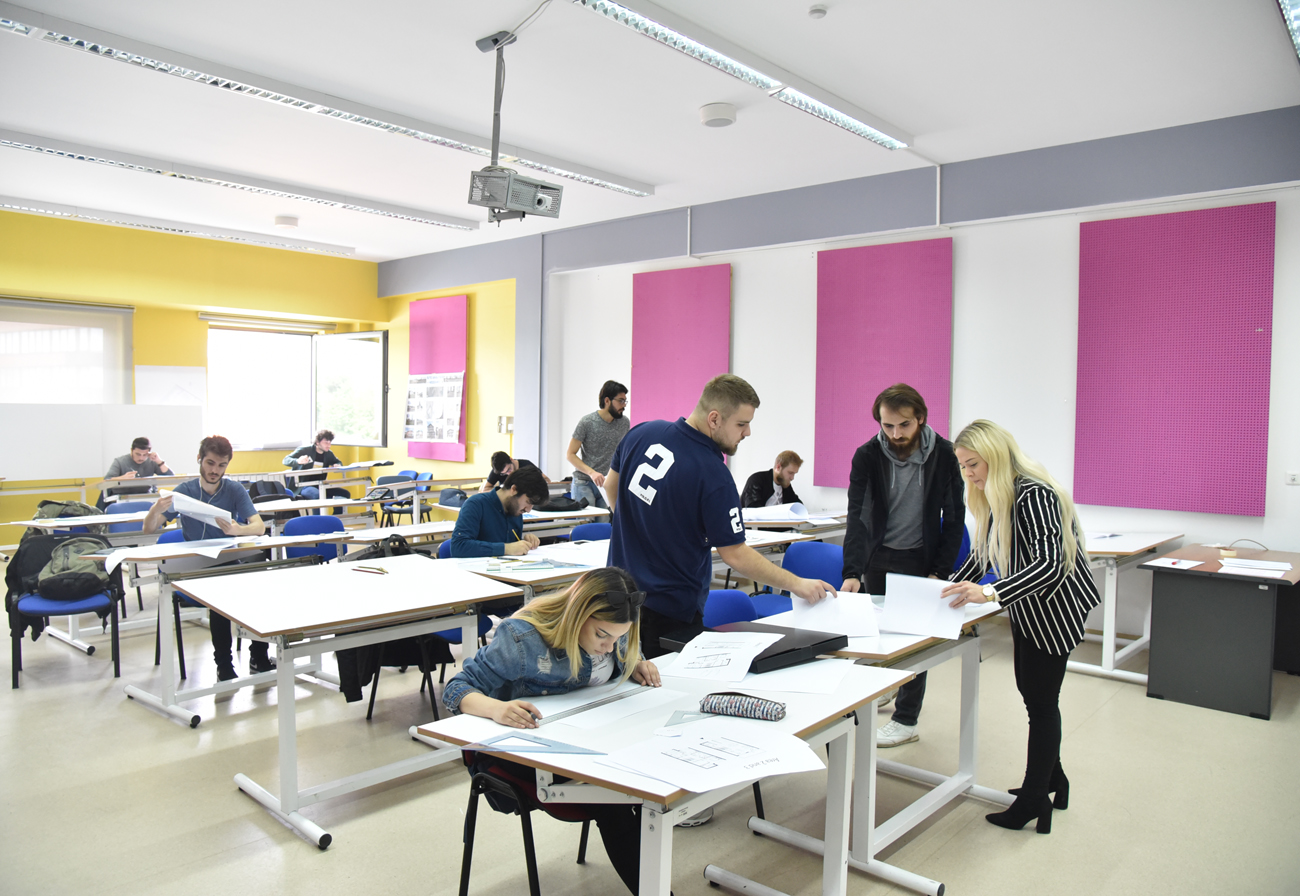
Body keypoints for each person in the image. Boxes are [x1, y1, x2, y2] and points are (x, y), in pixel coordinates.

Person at [442, 567, 661, 896]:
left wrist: (636, 661)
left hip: (590, 739)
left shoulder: (616, 627)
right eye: (602, 635)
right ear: (578, 615)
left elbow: (623, 648)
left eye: (619, 638)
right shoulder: (522, 639)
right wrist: (497, 708)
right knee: (615, 799)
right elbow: (456, 689)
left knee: (647, 783)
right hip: (526, 751)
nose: (609, 646)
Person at [606, 374, 837, 659]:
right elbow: (735, 554)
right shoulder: (713, 473)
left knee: (622, 679)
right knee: (663, 684)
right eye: (741, 424)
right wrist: (797, 584)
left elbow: (610, 486)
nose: (748, 432)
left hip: (616, 597)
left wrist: (635, 526)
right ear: (714, 419)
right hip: (669, 612)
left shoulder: (642, 432)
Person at [941, 419, 1100, 834]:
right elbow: (985, 554)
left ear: (994, 457)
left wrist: (989, 593)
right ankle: (1053, 780)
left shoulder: (1033, 494)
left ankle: (1034, 799)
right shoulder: (1000, 494)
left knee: (1042, 703)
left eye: (973, 464)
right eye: (963, 466)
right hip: (1028, 606)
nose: (968, 474)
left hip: (1056, 608)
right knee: (1033, 695)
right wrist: (950, 587)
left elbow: (1049, 564)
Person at [840, 384, 965, 749]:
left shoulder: (944, 454)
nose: (895, 434)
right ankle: (886, 685)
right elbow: (857, 516)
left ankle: (906, 719)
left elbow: (954, 518)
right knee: (878, 634)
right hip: (878, 556)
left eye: (904, 425)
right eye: (888, 426)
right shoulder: (867, 455)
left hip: (921, 557)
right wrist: (852, 571)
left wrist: (939, 571)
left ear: (920, 419)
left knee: (913, 640)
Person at [142, 435, 272, 681]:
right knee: (220, 594)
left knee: (260, 584)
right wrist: (155, 509)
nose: (215, 470)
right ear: (199, 459)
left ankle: (259, 656)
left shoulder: (233, 490)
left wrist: (238, 530)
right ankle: (224, 665)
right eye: (210, 463)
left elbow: (259, 526)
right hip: (195, 563)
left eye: (222, 465)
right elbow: (149, 529)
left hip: (226, 558)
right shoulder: (185, 491)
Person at [449, 465, 551, 558]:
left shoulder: (515, 509)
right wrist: (506, 548)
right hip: (476, 570)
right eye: (528, 502)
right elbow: (458, 546)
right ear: (514, 489)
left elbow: (511, 548)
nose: (528, 510)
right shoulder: (476, 504)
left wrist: (524, 542)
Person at [565, 380, 629, 509]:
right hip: (584, 482)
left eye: (625, 401)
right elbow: (570, 454)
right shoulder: (587, 422)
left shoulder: (624, 423)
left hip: (607, 484)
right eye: (621, 401)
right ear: (607, 401)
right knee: (586, 521)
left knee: (605, 521)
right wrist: (592, 473)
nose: (624, 405)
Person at [283, 429, 348, 512]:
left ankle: (335, 518)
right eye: (326, 442)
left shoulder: (328, 453)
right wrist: (297, 461)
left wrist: (337, 464)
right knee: (317, 495)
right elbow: (286, 460)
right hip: (303, 486)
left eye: (330, 442)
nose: (329, 445)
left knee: (345, 494)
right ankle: (318, 519)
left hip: (320, 485)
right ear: (317, 442)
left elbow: (337, 461)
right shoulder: (305, 450)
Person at [98, 437, 171, 507]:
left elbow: (170, 477)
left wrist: (159, 461)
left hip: (146, 499)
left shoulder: (152, 461)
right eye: (138, 454)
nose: (141, 458)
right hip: (122, 500)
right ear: (131, 450)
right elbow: (106, 481)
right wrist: (123, 478)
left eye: (144, 455)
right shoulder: (119, 461)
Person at [478, 451, 551, 493]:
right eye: (504, 473)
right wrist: (502, 491)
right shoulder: (498, 470)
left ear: (511, 459)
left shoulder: (527, 465)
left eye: (509, 469)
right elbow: (484, 489)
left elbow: (546, 480)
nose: (508, 473)